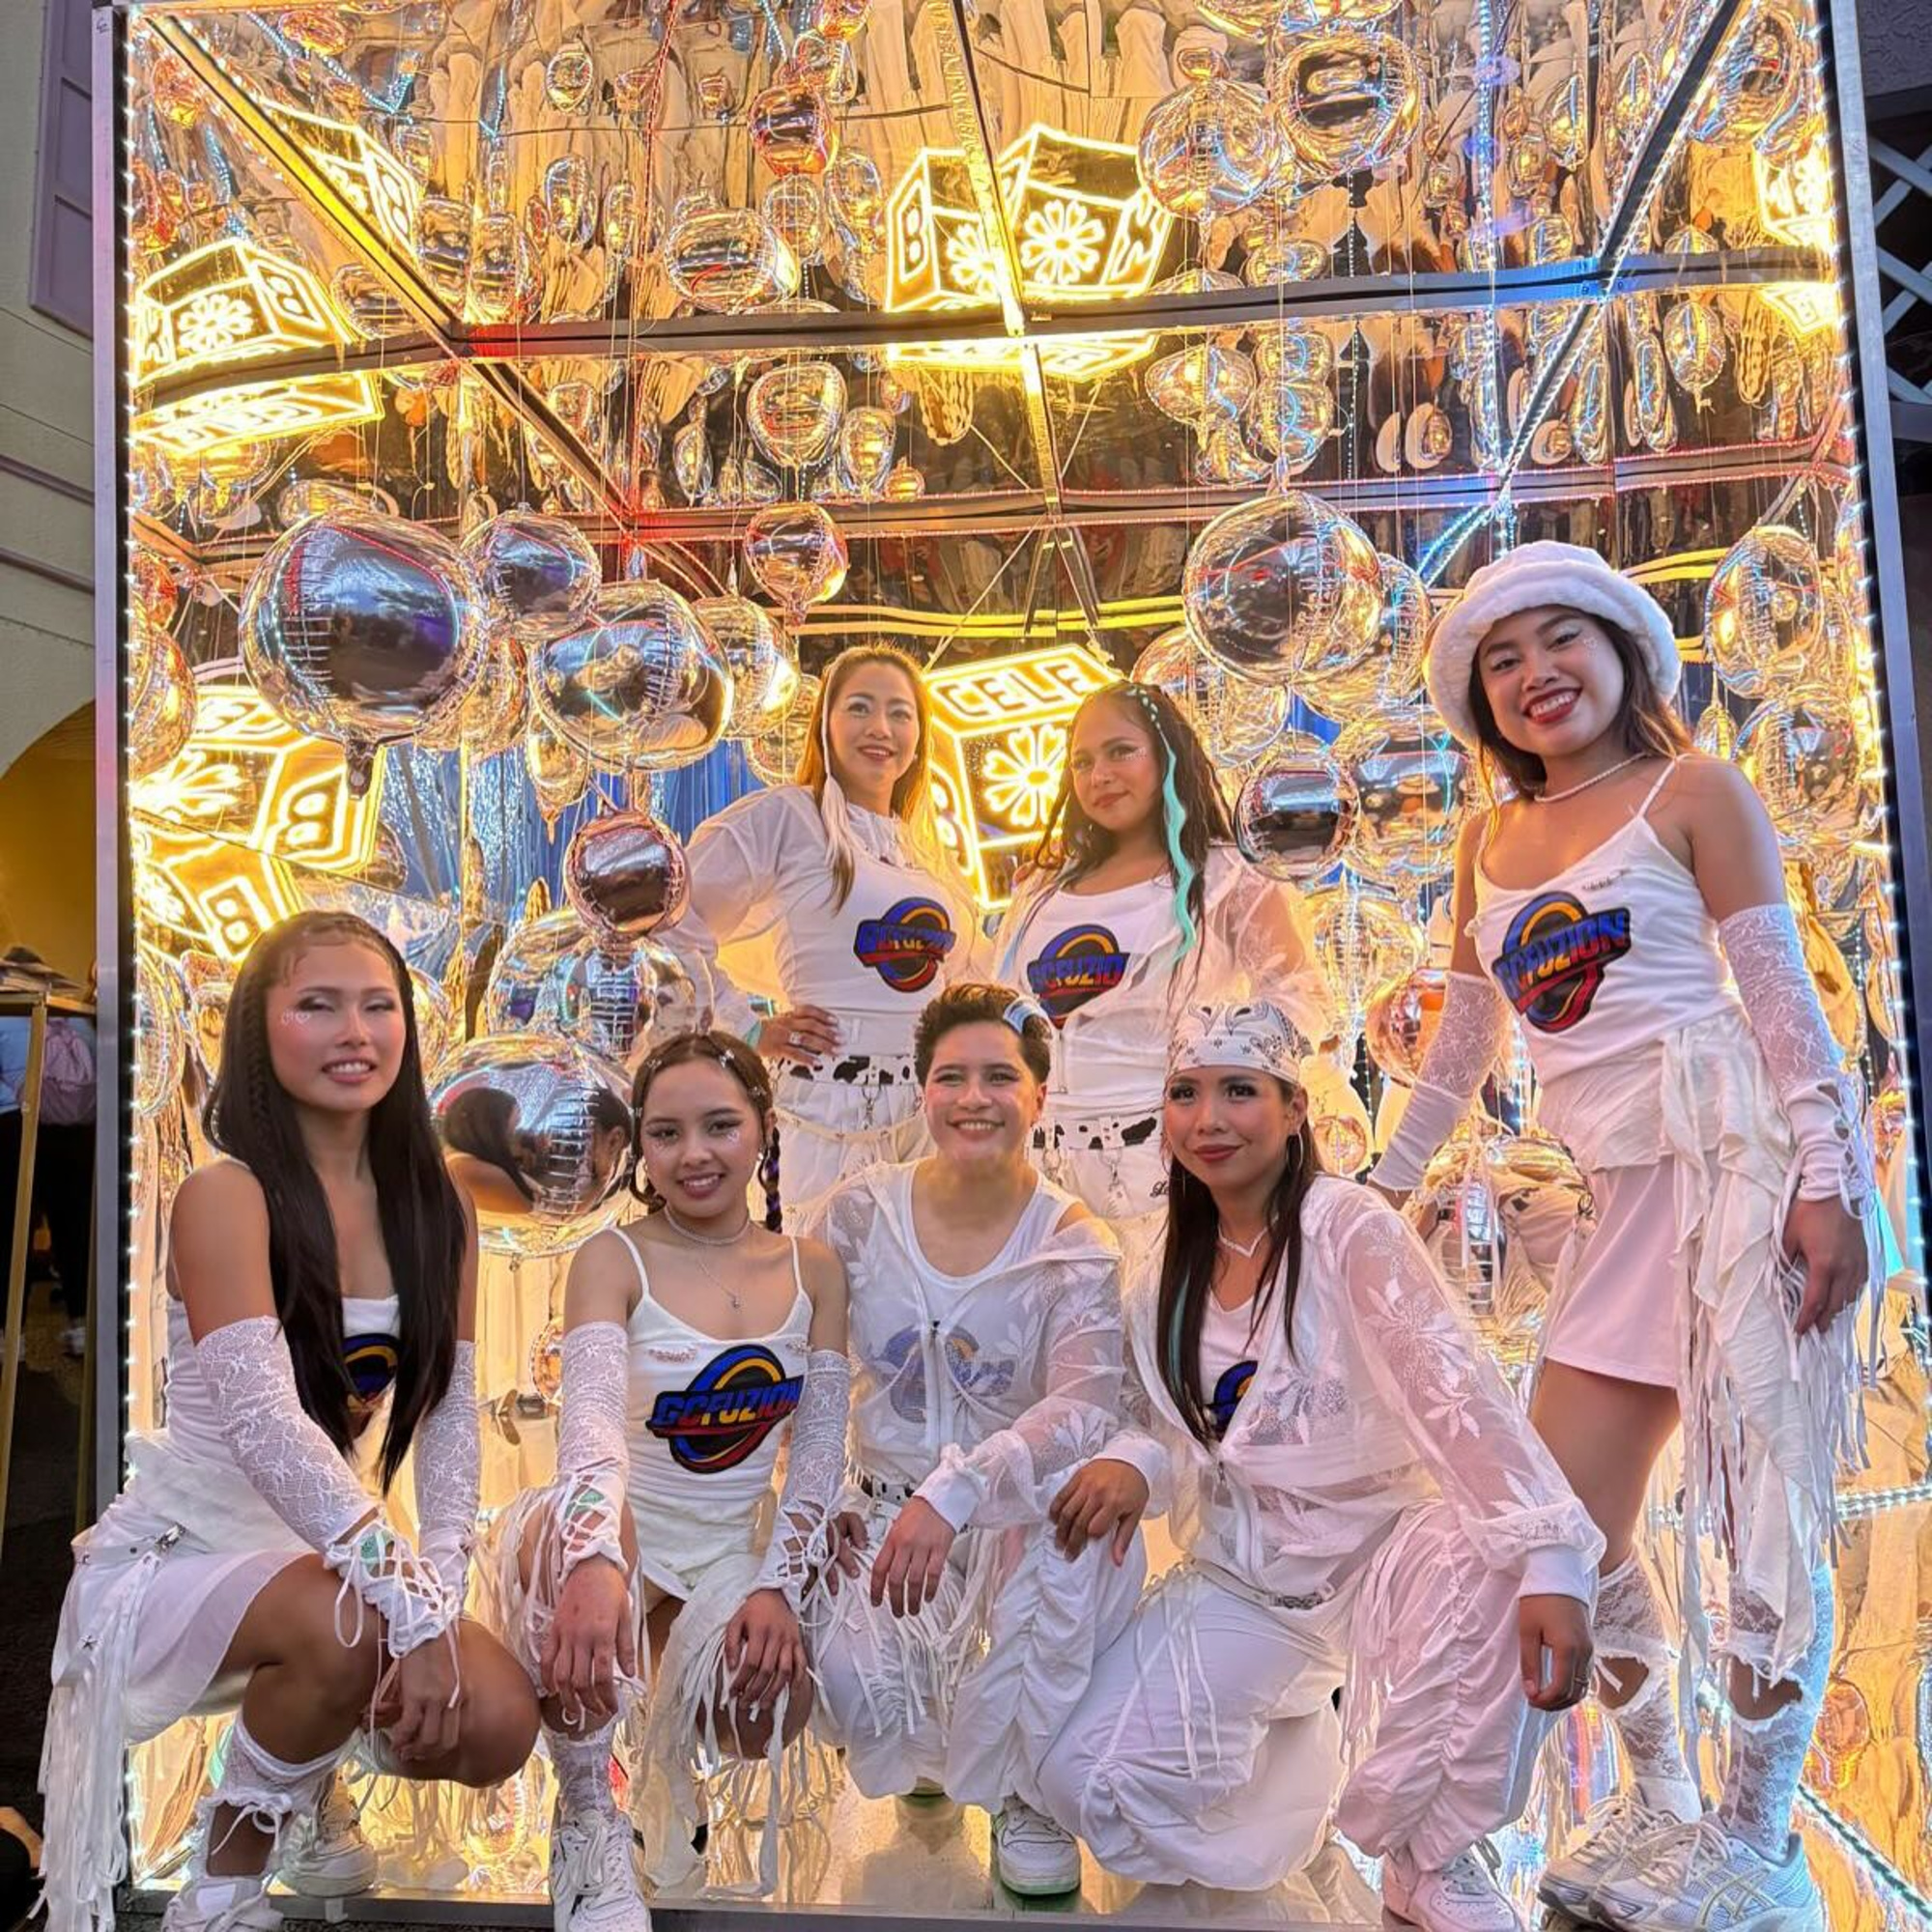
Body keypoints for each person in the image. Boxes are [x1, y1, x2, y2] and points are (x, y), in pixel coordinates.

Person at [1368, 543, 1883, 1932]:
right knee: (1562, 1528)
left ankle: (1757, 1840)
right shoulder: (1487, 843)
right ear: (1477, 694)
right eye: (1502, 655)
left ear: (1624, 650)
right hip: (1616, 1205)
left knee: (1765, 1528)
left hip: (1743, 1173)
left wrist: (1827, 1178)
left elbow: (1778, 999)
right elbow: (1465, 1041)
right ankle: (1659, 1806)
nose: (1537, 673)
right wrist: (1376, 1181)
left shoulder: (1695, 791)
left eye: (1562, 640)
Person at [1032, 996, 1602, 1932]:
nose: (1207, 1119)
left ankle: (1434, 1857)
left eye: (1238, 1091)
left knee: (1493, 1559)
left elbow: (1452, 1390)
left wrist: (1546, 1554)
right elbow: (1164, 1434)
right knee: (1085, 1783)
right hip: (1249, 1583)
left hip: (1385, 1554)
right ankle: (1304, 1755)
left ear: (1293, 1108)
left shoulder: (1345, 1225)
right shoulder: (1160, 1266)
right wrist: (1134, 1462)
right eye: (1184, 1093)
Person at [40, 911, 538, 1932]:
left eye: (377, 1004)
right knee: (348, 1617)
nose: (354, 1030)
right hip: (181, 1564)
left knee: (497, 1721)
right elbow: (269, 1428)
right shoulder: (226, 1193)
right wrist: (406, 1607)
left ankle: (308, 1773)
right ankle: (222, 1885)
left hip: (325, 1574)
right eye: (317, 1004)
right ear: (258, 1031)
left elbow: (442, 1419)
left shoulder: (437, 1200)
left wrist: (437, 1598)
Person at [485, 1030, 850, 1926]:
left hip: (731, 1551)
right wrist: (596, 1559)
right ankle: (589, 1819)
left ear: (763, 1126)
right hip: (616, 1535)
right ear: (640, 1146)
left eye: (719, 1126)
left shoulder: (816, 1270)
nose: (693, 1155)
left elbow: (820, 1457)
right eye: (666, 1133)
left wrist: (778, 1589)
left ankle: (664, 1771)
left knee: (769, 1710)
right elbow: (591, 1435)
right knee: (584, 1542)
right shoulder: (613, 1258)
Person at [803, 982, 1140, 1901]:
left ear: (1039, 1095)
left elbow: (1083, 1407)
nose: (973, 1099)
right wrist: (815, 1506)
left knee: (1098, 1541)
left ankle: (1029, 1789)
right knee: (847, 1676)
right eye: (950, 1076)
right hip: (879, 1516)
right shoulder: (854, 1217)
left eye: (1000, 1076)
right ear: (923, 1091)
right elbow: (809, 1375)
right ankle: (927, 1746)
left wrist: (957, 1495)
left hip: (1011, 1525)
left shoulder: (1074, 1241)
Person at [668, 644, 987, 1222]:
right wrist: (746, 1027)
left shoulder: (926, 852)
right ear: (825, 725)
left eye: (900, 713)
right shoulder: (788, 818)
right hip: (828, 1114)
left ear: (919, 735)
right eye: (859, 708)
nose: (880, 728)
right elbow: (671, 921)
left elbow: (974, 980)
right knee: (830, 1288)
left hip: (930, 1118)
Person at [992, 680, 1329, 1221]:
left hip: (1177, 1178)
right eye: (1081, 762)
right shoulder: (1040, 893)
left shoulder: (1228, 877)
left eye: (1121, 751)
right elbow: (993, 1015)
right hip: (1037, 1186)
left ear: (1167, 756)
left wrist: (1217, 1080)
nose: (1099, 775)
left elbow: (1300, 1001)